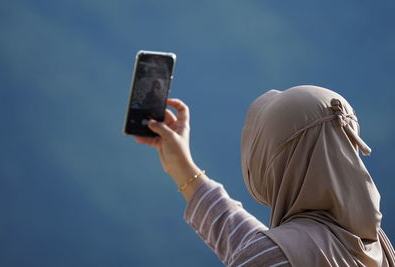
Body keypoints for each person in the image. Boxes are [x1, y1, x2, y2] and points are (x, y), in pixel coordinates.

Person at [134, 85, 395, 266]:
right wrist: (182, 166)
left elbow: (267, 254)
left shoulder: (272, 256)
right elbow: (258, 245)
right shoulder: (377, 247)